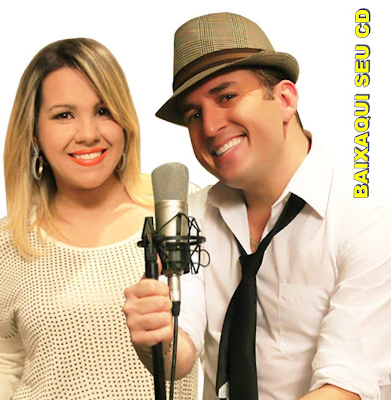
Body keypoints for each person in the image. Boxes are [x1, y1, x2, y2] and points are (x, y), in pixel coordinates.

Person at [123, 12, 391, 400]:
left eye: (227, 96)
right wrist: (155, 334)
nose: (209, 127)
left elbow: (343, 387)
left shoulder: (368, 219)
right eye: (194, 114)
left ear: (284, 100)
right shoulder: (193, 214)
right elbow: (179, 354)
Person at [0, 38, 198, 399]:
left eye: (103, 110)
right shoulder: (5, 244)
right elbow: (2, 364)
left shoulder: (178, 211)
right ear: (34, 132)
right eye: (63, 115)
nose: (88, 134)